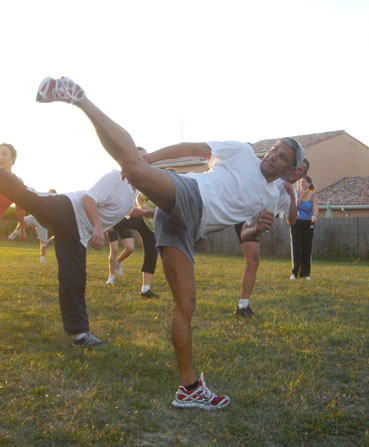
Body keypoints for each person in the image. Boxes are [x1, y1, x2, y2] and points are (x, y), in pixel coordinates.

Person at [36, 76, 305, 410]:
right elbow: (190, 149)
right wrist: (150, 161)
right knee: (134, 167)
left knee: (186, 304)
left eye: (281, 157)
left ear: (289, 169)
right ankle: (79, 98)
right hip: (190, 194)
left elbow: (245, 236)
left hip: (184, 228)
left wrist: (258, 229)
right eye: (274, 150)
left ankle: (189, 388)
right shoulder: (241, 152)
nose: (272, 156)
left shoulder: (267, 196)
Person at [0, 166, 150, 347]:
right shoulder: (116, 178)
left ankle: (80, 334)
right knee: (26, 195)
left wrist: (152, 212)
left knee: (74, 277)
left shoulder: (130, 196)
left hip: (77, 232)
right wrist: (97, 227)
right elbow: (89, 199)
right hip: (67, 209)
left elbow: (131, 211)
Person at [234, 159, 310, 317]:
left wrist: (292, 198)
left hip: (250, 223)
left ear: (303, 175)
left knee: (253, 261)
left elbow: (292, 220)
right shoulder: (273, 176)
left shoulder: (292, 193)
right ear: (291, 167)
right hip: (235, 207)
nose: (296, 171)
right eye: (296, 167)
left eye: (301, 170)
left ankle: (243, 307)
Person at [107, 200, 159, 299]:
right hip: (142, 218)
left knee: (152, 255)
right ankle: (98, 225)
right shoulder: (153, 188)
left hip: (151, 227)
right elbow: (140, 196)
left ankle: (145, 290)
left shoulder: (170, 194)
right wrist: (142, 206)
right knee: (116, 224)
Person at [8, 189, 57, 263]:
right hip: (34, 217)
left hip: (43, 223)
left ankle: (42, 259)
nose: (50, 195)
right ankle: (16, 231)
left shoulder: (54, 206)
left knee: (43, 242)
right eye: (49, 194)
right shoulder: (42, 199)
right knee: (22, 220)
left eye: (53, 195)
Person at [290, 175, 318, 280]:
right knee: (297, 247)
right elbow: (295, 205)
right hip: (297, 222)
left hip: (308, 222)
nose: (302, 184)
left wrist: (315, 215)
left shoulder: (313, 195)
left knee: (307, 248)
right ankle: (294, 273)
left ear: (309, 184)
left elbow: (315, 207)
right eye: (301, 182)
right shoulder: (296, 193)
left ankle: (306, 273)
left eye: (304, 182)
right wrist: (302, 194)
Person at [0, 144, 26, 240]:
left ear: (13, 158)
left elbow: (20, 207)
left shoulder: (17, 182)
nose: (0, 157)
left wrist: (22, 229)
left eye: (4, 154)